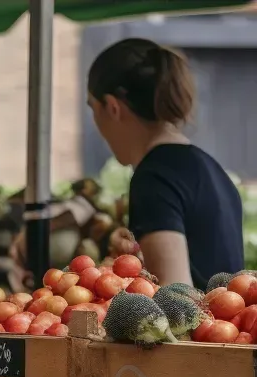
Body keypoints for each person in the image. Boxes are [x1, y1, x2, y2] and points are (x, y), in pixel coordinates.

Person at [87, 38, 243, 289]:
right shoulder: (208, 166)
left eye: (93, 107)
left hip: (198, 328)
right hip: (230, 327)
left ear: (112, 107)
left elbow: (177, 295)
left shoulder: (153, 178)